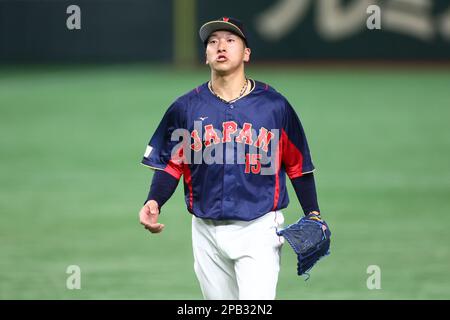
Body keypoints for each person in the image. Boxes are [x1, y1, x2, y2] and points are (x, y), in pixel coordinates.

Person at [139, 17, 322, 300]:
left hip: (259, 228)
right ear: (206, 55)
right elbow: (172, 162)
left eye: (230, 40)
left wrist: (313, 213)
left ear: (246, 53)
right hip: (205, 230)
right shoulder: (185, 107)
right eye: (213, 42)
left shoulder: (275, 106)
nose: (220, 46)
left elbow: (298, 166)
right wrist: (154, 201)